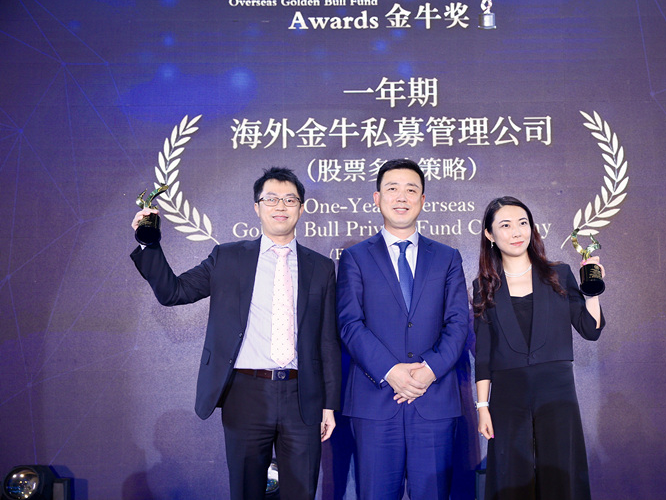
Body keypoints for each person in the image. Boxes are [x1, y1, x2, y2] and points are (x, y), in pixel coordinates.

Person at [130, 167, 341, 500]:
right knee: (245, 491)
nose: (280, 206)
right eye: (271, 199)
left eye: (290, 200)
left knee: (301, 492)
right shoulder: (227, 257)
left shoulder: (321, 267)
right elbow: (173, 292)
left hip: (303, 396)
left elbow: (327, 340)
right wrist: (149, 244)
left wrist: (328, 405)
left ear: (301, 208)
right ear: (257, 207)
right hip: (245, 393)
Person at [336, 158, 470, 499]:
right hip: (375, 400)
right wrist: (391, 371)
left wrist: (429, 371)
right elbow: (350, 324)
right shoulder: (355, 257)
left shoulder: (447, 257)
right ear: (377, 198)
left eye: (411, 190)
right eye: (392, 188)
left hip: (434, 400)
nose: (402, 197)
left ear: (422, 200)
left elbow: (457, 323)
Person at [473, 196, 606, 500]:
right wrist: (482, 407)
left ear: (532, 229)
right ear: (490, 234)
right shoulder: (484, 286)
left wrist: (592, 290)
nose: (516, 232)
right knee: (510, 480)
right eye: (505, 225)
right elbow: (483, 354)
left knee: (562, 478)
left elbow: (590, 330)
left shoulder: (559, 274)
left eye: (523, 223)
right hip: (508, 394)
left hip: (557, 392)